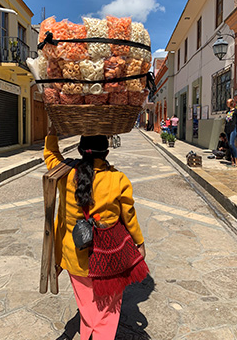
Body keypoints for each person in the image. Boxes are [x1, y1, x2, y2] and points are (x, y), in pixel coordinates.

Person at [44, 125, 146, 340]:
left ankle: (89, 334)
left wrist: (52, 132)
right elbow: (129, 215)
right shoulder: (118, 179)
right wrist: (139, 242)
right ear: (106, 152)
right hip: (108, 257)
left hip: (75, 255)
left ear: (80, 150)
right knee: (108, 309)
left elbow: (51, 155)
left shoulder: (66, 173)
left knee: (87, 304)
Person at [224, 98, 237, 166]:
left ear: (232, 103)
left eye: (229, 102)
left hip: (233, 128)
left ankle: (236, 159)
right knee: (229, 145)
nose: (228, 104)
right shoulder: (227, 112)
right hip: (227, 128)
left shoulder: (236, 111)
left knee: (231, 144)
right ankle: (232, 160)